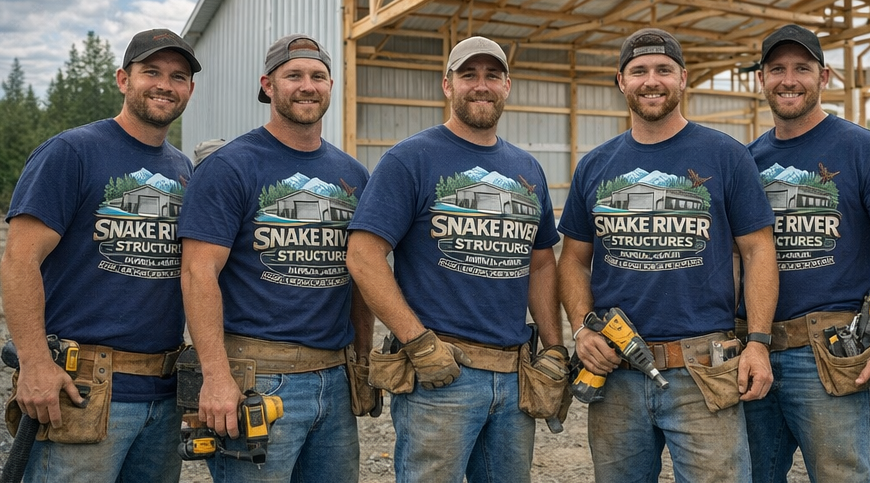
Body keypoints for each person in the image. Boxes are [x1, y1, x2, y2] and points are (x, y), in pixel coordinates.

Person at [558, 27, 779, 482]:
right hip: (615, 371)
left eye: (663, 69)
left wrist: (758, 341)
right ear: (621, 81)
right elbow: (574, 260)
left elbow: (758, 252)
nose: (650, 80)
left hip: (702, 370)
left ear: (683, 79)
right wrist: (581, 328)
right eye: (638, 71)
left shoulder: (725, 156)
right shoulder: (595, 165)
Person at [345, 35, 563, 483]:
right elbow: (364, 256)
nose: (480, 86)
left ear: (507, 86)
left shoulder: (528, 170)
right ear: (447, 85)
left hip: (513, 373)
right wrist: (416, 341)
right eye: (468, 75)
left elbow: (541, 262)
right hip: (441, 375)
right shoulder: (411, 159)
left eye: (492, 76)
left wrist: (556, 347)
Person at [0, 28, 200, 482]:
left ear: (190, 89)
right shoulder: (71, 152)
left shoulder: (183, 169)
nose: (165, 84)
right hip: (83, 390)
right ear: (122, 79)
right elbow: (18, 261)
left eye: (178, 76)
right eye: (151, 71)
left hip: (163, 392)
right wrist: (33, 363)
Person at [740, 24, 870, 482]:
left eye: (802, 68)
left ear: (824, 77)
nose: (789, 80)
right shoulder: (748, 160)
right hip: (758, 351)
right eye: (777, 69)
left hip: (832, 355)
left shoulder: (862, 148)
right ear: (760, 79)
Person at [178, 34, 372, 482]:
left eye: (318, 76)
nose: (308, 85)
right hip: (257, 378)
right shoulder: (230, 166)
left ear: (330, 85)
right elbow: (197, 272)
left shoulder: (353, 176)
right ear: (268, 85)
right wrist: (215, 376)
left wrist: (362, 360)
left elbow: (362, 275)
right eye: (294, 76)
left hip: (335, 379)